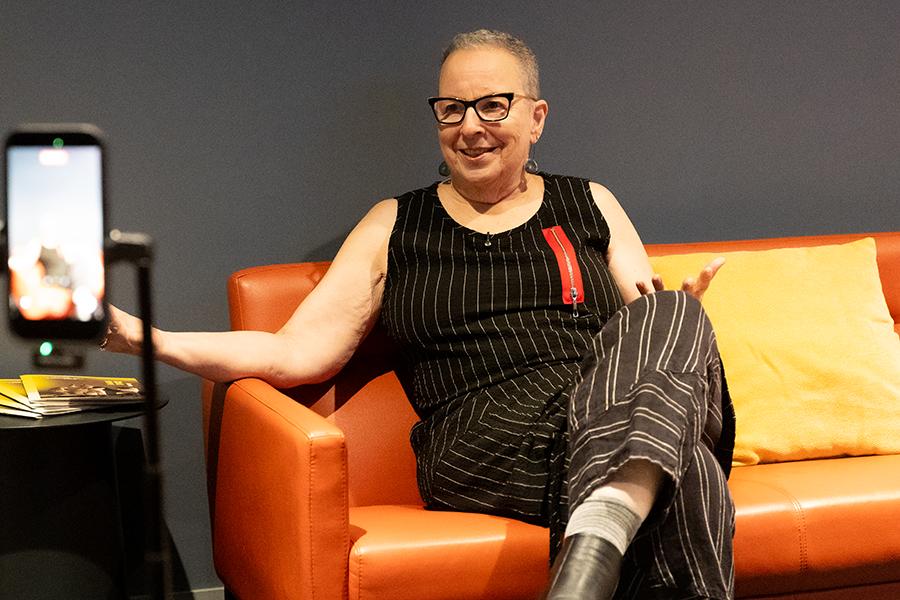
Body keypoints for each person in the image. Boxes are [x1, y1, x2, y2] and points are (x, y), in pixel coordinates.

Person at [103, 29, 735, 600]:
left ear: (537, 118)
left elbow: (644, 332)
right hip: (482, 441)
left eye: (493, 105)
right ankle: (609, 518)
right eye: (451, 110)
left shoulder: (590, 202)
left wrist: (678, 320)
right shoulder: (395, 225)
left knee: (672, 310)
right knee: (691, 474)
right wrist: (144, 338)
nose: (470, 126)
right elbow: (296, 353)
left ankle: (596, 539)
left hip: (595, 414)